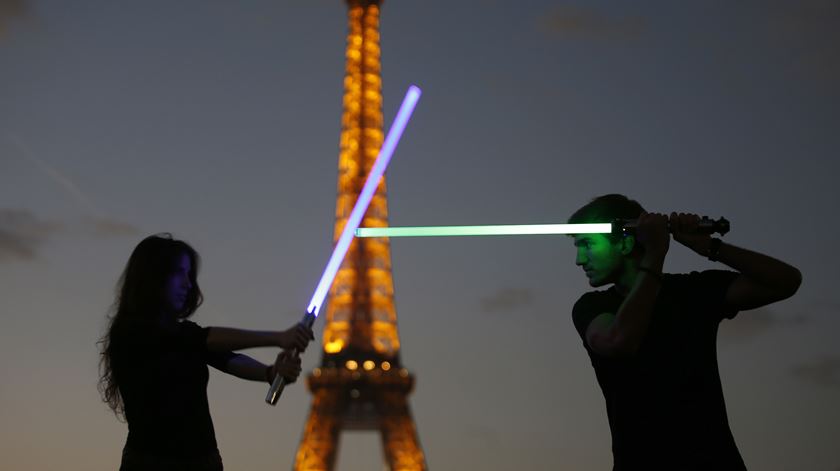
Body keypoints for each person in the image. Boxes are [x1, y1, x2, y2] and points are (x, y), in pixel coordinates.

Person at [569, 194, 801, 470]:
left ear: (626, 241)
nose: (579, 259)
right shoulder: (593, 307)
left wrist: (711, 247)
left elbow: (785, 281)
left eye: (587, 244)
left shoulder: (692, 292)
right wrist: (655, 255)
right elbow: (619, 340)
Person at [97, 233, 314, 471]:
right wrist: (279, 338)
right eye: (179, 272)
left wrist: (270, 373)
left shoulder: (182, 335)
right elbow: (205, 341)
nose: (188, 284)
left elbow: (227, 359)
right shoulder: (131, 334)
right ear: (153, 276)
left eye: (188, 275)